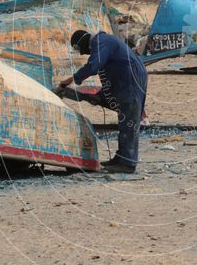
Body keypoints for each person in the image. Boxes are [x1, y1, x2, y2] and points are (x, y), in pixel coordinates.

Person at [58, 29, 148, 174]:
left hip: (131, 81)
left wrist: (71, 79)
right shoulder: (103, 42)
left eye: (79, 49)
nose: (82, 53)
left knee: (129, 119)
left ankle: (128, 163)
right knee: (124, 117)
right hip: (126, 80)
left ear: (83, 42)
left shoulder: (101, 42)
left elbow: (93, 66)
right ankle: (121, 158)